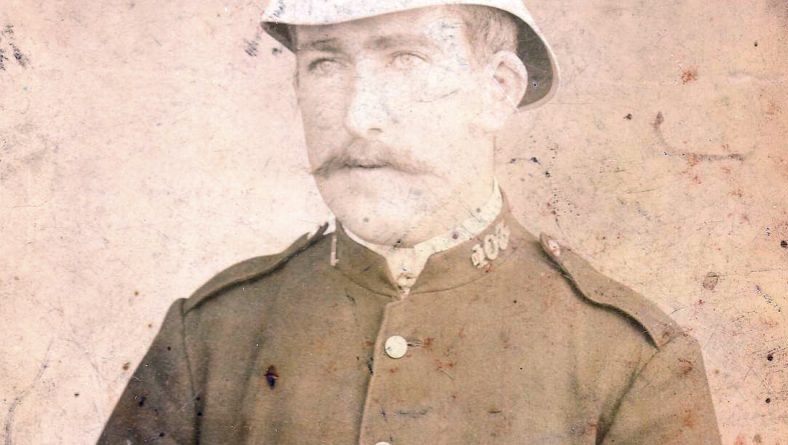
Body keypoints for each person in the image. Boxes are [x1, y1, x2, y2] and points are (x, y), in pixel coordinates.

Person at [99, 1, 721, 443]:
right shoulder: (210, 335)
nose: (358, 116)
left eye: (405, 59)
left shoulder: (630, 360)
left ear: (498, 89)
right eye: (325, 64)